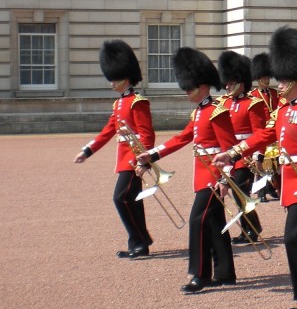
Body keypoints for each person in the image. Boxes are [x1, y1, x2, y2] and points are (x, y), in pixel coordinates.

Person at [215, 28, 297, 309]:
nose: (279, 84)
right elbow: (266, 134)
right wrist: (234, 153)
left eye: (284, 78)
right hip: (292, 182)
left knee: (295, 238)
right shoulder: (284, 108)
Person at [137, 48, 237, 293]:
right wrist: (153, 154)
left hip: (214, 176)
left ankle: (200, 274)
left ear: (202, 86)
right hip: (202, 174)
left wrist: (227, 179)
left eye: (189, 87)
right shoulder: (199, 112)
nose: (186, 92)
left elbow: (231, 147)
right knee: (214, 222)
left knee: (197, 221)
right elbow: (181, 138)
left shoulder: (217, 111)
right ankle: (225, 273)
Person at [75, 40, 155, 259]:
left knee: (120, 198)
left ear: (126, 76)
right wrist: (88, 150)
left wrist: (143, 160)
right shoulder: (119, 104)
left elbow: (147, 134)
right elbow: (107, 131)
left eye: (115, 78)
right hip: (124, 159)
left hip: (133, 159)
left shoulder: (138, 102)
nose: (111, 82)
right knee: (131, 201)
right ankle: (138, 242)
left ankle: (141, 239)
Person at [218, 51, 269, 244]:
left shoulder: (252, 104)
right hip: (226, 154)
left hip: (244, 155)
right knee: (231, 192)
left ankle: (251, 228)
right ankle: (250, 226)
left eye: (231, 82)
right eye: (227, 82)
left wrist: (258, 156)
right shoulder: (223, 103)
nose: (227, 85)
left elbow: (259, 133)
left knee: (240, 193)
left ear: (241, 82)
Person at [250, 52, 280, 201]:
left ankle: (271, 188)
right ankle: (261, 192)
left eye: (268, 77)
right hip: (262, 132)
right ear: (258, 78)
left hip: (274, 133)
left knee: (274, 163)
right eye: (264, 77)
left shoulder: (275, 93)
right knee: (261, 164)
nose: (267, 79)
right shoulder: (253, 95)